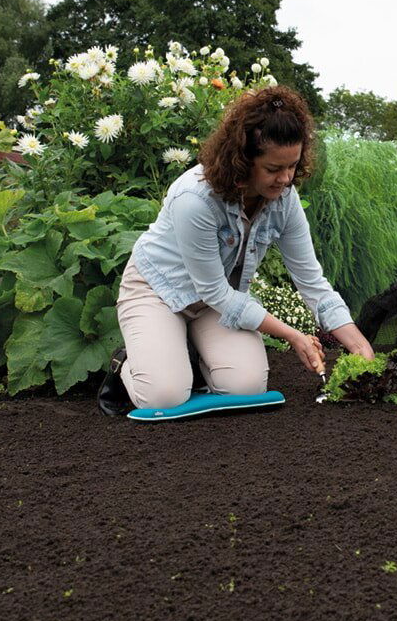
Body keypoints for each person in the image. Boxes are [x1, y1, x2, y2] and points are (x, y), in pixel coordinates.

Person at [109, 85, 375, 411]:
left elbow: (311, 281)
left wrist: (358, 343)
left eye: (292, 166)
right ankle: (129, 363)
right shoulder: (195, 199)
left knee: (246, 386)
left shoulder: (284, 201)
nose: (286, 179)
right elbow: (215, 291)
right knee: (163, 395)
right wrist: (293, 335)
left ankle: (184, 355)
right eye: (274, 169)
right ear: (243, 160)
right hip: (158, 291)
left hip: (213, 304)